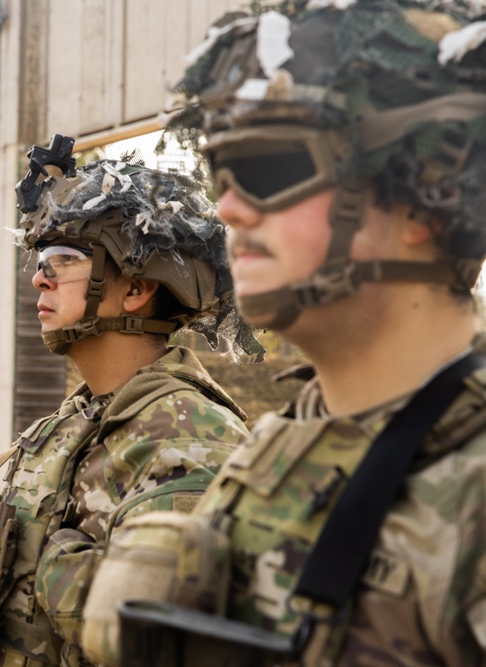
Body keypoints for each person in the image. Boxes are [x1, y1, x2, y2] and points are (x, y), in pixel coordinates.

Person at [83, 2, 486, 665]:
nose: (228, 206)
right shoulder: (281, 441)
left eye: (271, 167)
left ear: (423, 193)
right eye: (221, 173)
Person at [0, 141, 260, 667]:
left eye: (64, 260)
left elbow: (161, 642)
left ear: (137, 290)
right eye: (40, 259)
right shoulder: (64, 427)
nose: (39, 276)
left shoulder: (188, 439)